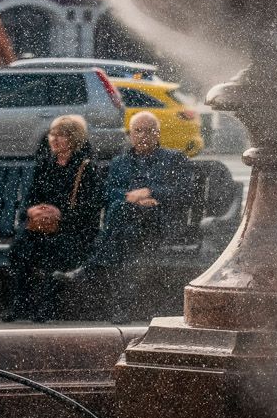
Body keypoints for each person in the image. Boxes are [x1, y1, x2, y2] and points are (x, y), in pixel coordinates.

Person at [56, 111, 193, 319]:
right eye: (138, 131)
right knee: (127, 238)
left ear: (158, 134)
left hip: (159, 223)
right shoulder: (120, 161)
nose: (143, 135)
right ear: (130, 134)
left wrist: (150, 192)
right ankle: (122, 309)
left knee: (120, 212)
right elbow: (108, 192)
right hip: (128, 227)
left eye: (149, 130)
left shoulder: (174, 158)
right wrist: (133, 198)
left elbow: (184, 193)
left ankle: (91, 269)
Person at [4, 114, 100, 322]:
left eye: (62, 135)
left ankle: (46, 307)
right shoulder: (44, 165)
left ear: (74, 139)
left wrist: (61, 215)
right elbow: (28, 200)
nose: (54, 139)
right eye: (52, 134)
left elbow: (90, 209)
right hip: (41, 225)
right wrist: (33, 211)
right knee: (21, 247)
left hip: (73, 229)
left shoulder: (86, 167)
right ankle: (20, 304)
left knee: (54, 249)